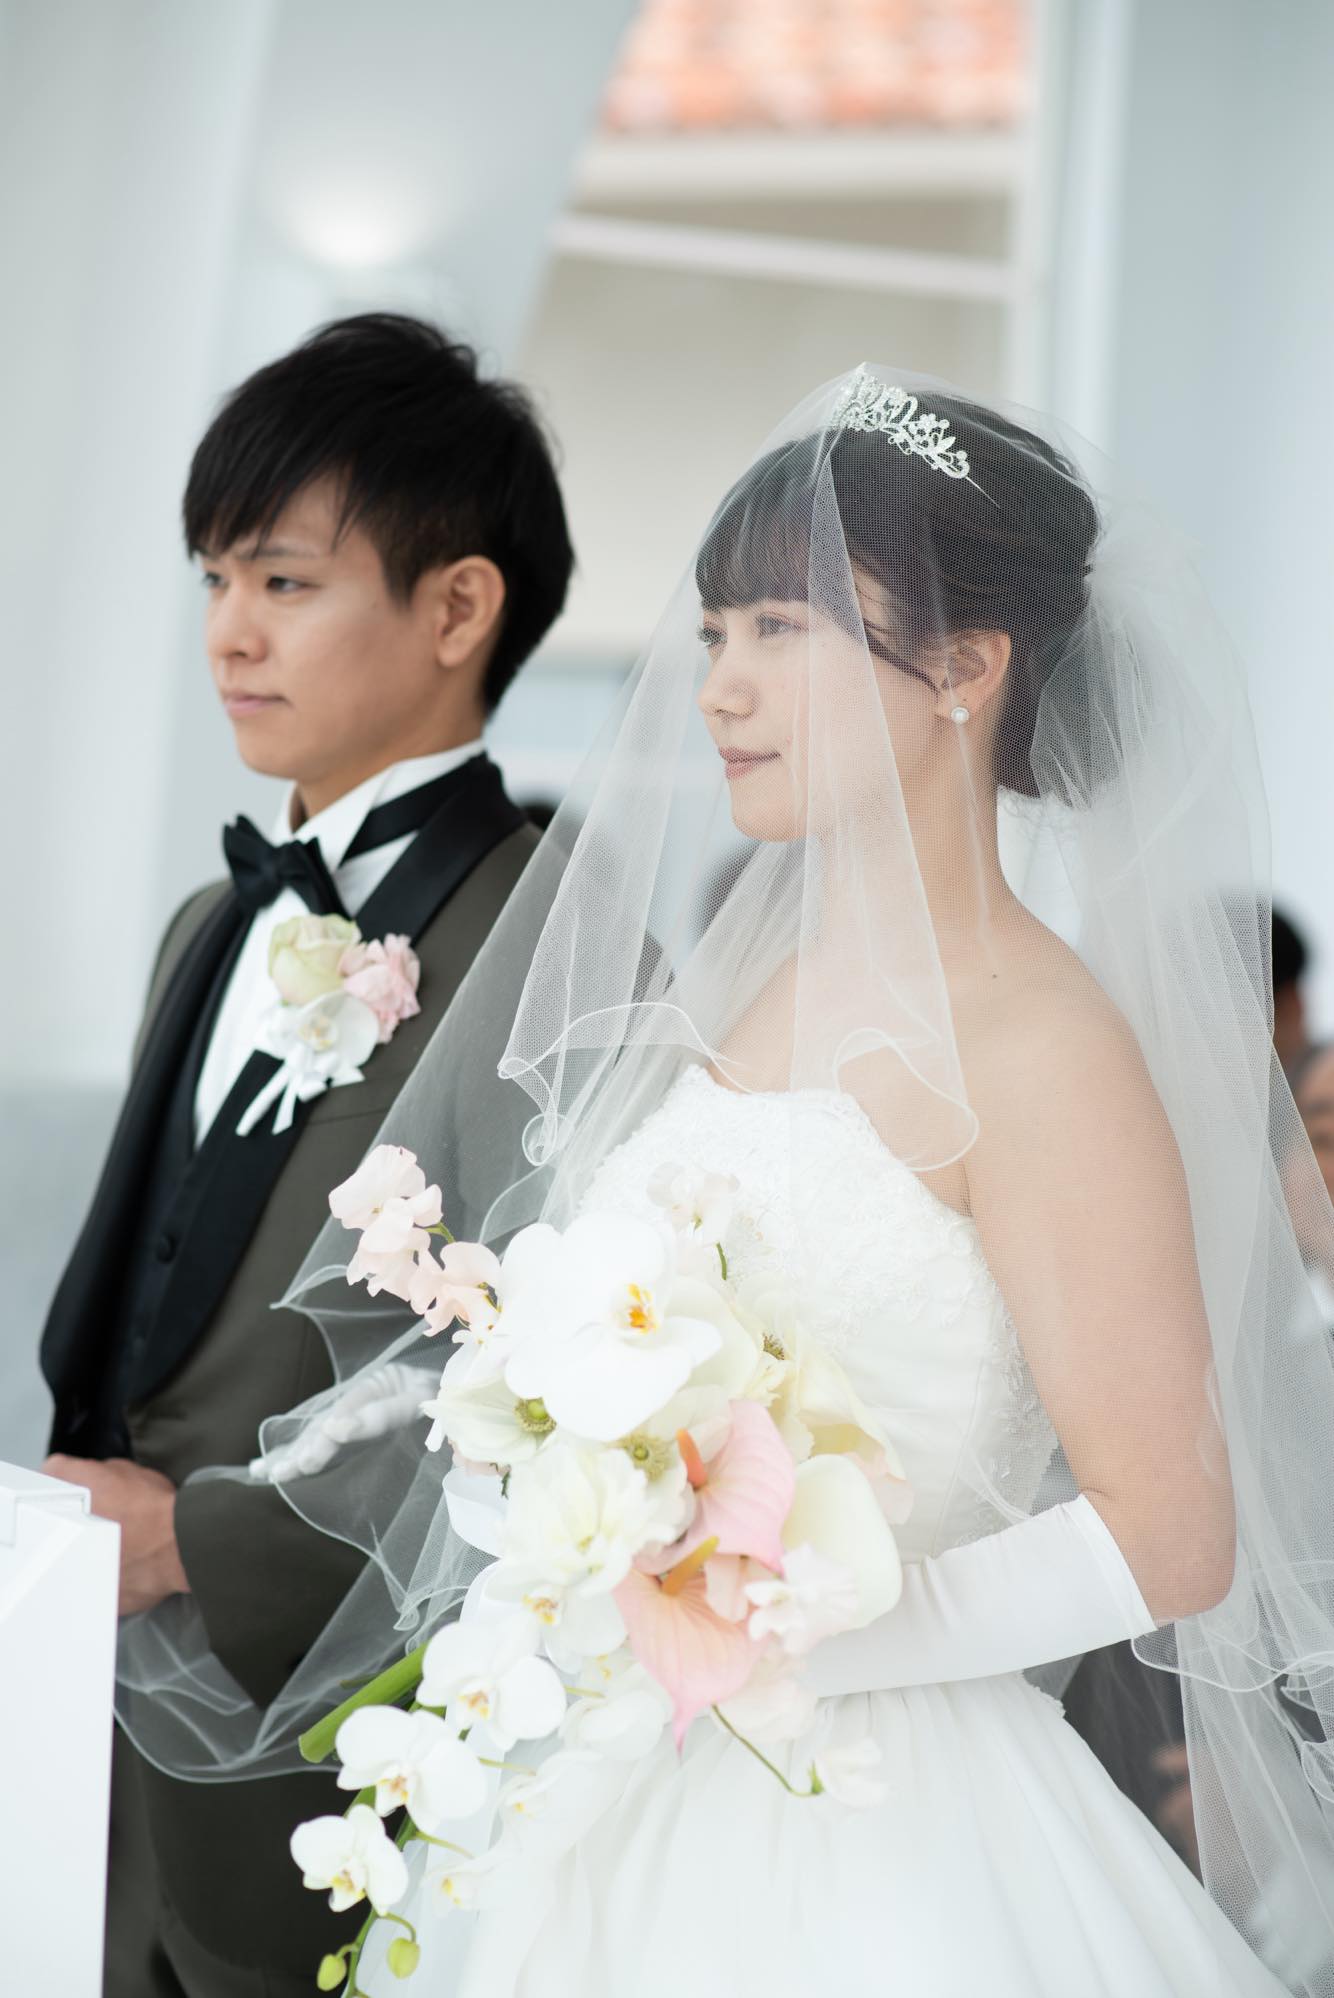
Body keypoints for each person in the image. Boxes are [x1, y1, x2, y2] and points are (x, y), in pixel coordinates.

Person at [133, 366, 1334, 1995]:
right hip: (623, 1770)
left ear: (964, 667)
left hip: (874, 1813)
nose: (717, 687)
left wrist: (784, 1621)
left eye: (780, 626)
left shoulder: (1046, 1044)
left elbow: (1168, 1536)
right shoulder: (750, 984)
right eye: (710, 633)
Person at [36, 312, 573, 1997]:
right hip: (82, 1726)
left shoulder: (553, 942)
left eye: (283, 580)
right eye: (214, 579)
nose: (229, 632)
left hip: (333, 1761)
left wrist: (203, 1539)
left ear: (457, 608)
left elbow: (540, 1387)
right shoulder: (210, 922)